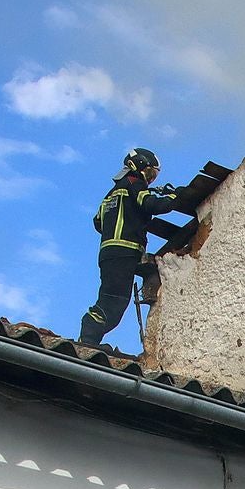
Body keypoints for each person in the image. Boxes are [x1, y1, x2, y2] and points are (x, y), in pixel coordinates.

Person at [78, 148, 180, 348]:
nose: (150, 179)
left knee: (111, 297)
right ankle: (88, 337)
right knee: (114, 301)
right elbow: (149, 204)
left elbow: (98, 221)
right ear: (139, 165)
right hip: (125, 250)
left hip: (109, 253)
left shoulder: (111, 194)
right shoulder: (134, 183)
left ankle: (90, 339)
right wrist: (176, 198)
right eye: (150, 173)